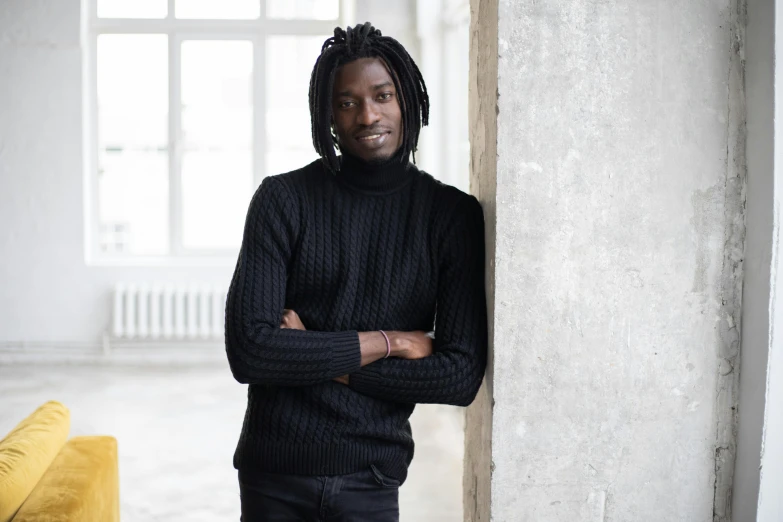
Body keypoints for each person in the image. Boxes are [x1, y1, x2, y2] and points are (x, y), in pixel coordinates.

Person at [225, 22, 488, 522]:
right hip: (275, 472)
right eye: (347, 102)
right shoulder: (283, 200)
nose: (368, 115)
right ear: (328, 114)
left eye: (382, 95)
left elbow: (457, 376)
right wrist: (394, 341)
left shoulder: (450, 216)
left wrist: (320, 355)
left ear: (407, 100)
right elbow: (252, 351)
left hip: (372, 475)